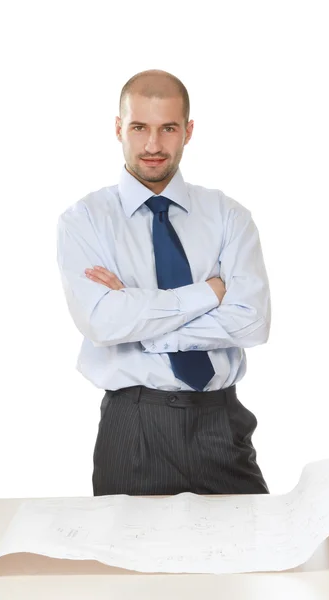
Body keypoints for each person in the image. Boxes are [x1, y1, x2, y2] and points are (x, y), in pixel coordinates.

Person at [56, 69, 271, 497]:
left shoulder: (229, 216)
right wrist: (208, 293)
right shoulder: (85, 221)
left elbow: (252, 324)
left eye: (168, 128)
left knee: (252, 554)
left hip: (221, 421)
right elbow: (102, 323)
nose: (153, 145)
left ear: (188, 131)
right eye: (139, 127)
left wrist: (141, 321)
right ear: (119, 128)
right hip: (133, 423)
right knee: (129, 560)